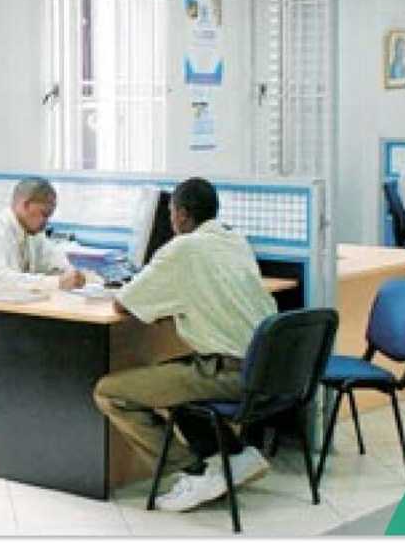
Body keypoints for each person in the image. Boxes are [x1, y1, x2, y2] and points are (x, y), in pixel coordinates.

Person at [93, 177, 278, 513]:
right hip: (265, 369)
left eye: (171, 213)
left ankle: (195, 471)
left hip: (228, 374)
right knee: (178, 373)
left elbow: (124, 304)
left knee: (111, 392)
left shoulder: (183, 248)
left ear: (180, 215)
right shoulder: (234, 240)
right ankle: (233, 455)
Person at [0, 177, 85, 335]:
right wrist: (55, 282)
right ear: (25, 205)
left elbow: (53, 262)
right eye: (44, 214)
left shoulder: (32, 233)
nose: (46, 222)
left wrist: (71, 275)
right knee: (63, 338)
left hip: (14, 314)